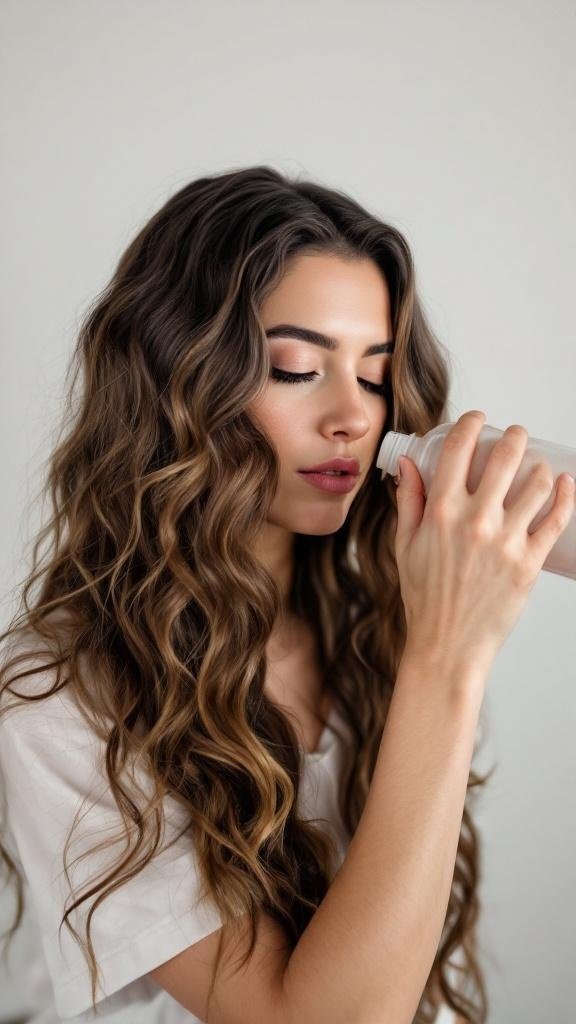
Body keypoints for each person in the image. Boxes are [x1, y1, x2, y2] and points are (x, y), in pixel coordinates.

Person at [1, 166, 573, 1024]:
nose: (354, 417)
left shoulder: (371, 630)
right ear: (177, 380)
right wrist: (449, 658)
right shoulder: (57, 699)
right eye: (296, 368)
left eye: (374, 376)